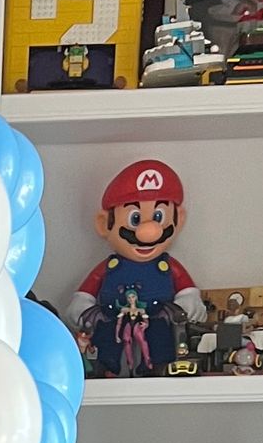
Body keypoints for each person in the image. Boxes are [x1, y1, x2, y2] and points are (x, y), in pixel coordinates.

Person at [73, 160, 202, 377]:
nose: (148, 231)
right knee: (106, 336)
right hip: (113, 315)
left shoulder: (168, 265)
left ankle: (157, 366)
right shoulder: (109, 266)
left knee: (160, 336)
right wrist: (83, 304)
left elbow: (186, 289)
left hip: (157, 315)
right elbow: (88, 290)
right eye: (135, 219)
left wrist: (188, 300)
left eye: (158, 217)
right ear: (105, 224)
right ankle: (106, 367)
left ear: (178, 220)